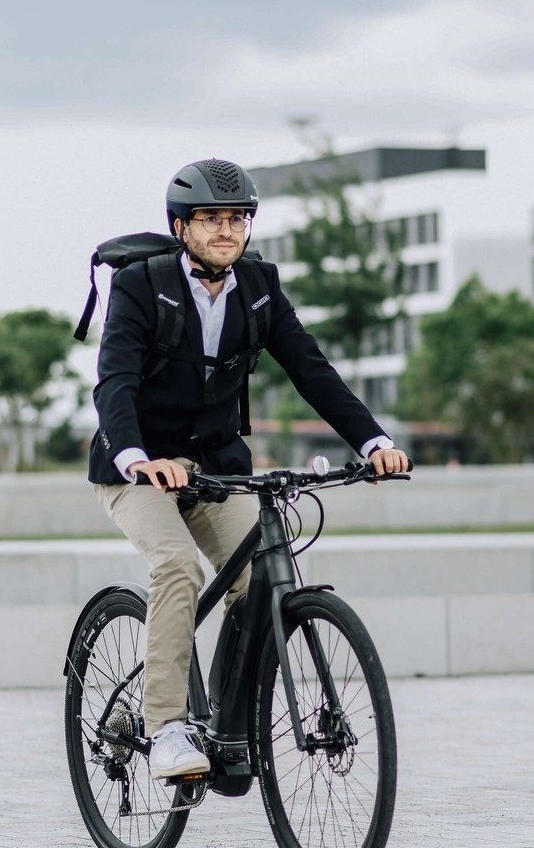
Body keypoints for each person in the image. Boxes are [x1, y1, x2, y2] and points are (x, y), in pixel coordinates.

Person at [88, 158, 411, 779]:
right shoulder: (141, 285)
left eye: (237, 218)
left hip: (215, 469)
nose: (226, 230)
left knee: (264, 581)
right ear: (181, 227)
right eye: (210, 218)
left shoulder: (260, 287)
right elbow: (115, 382)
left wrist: (373, 442)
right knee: (177, 567)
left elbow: (313, 371)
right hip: (136, 468)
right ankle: (164, 729)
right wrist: (138, 458)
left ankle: (229, 729)